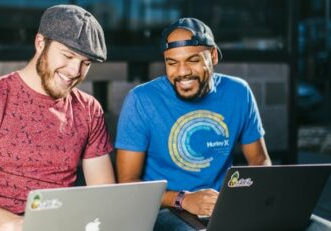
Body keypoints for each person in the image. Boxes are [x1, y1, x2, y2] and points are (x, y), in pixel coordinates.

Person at [0, 5, 115, 231]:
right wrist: (14, 224)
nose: (74, 70)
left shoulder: (89, 109)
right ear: (40, 43)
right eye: (68, 55)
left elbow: (105, 196)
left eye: (86, 63)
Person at [114, 17, 272, 231]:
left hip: (223, 207)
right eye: (172, 63)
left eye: (193, 60)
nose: (182, 72)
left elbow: (259, 160)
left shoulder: (238, 92)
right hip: (166, 210)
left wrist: (246, 198)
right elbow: (127, 183)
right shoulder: (141, 100)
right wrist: (183, 199)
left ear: (213, 56)